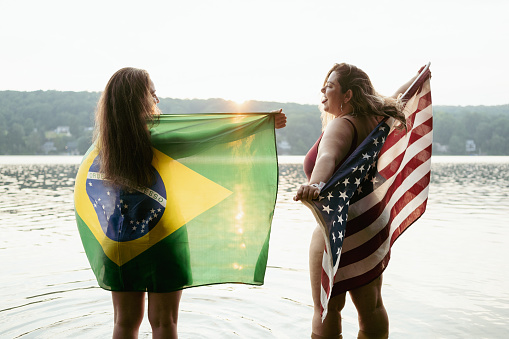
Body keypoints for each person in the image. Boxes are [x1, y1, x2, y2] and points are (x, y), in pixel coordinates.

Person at [90, 67, 286, 339]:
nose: (156, 100)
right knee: (164, 323)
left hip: (120, 239)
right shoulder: (160, 140)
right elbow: (210, 136)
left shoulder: (104, 145)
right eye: (152, 94)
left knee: (124, 324)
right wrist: (260, 123)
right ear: (139, 100)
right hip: (163, 237)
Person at [294, 63, 419, 339]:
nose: (323, 92)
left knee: (326, 309)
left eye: (330, 86)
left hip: (339, 223)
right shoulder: (376, 118)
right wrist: (416, 77)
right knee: (372, 307)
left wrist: (315, 184)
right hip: (370, 224)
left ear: (348, 95)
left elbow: (328, 156)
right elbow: (399, 97)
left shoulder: (342, 123)